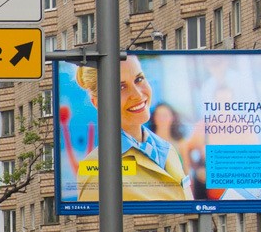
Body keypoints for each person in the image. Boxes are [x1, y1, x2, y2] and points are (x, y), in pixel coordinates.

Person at [73, 55, 193, 202]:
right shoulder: (96, 169)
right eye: (121, 87)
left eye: (139, 79)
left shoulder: (168, 150)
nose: (137, 95)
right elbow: (91, 223)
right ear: (98, 103)